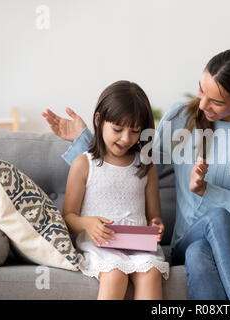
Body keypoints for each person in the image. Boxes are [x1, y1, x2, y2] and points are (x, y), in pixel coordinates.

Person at [43, 49, 230, 299]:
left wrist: (206, 191)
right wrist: (84, 138)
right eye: (201, 90)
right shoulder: (182, 118)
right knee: (211, 226)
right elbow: (133, 161)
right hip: (189, 235)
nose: (202, 105)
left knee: (200, 252)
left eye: (216, 101)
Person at [61, 80, 169, 300]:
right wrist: (87, 223)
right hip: (100, 246)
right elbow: (68, 217)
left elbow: (154, 216)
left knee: (151, 273)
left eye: (135, 131)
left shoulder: (146, 166)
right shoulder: (84, 164)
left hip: (139, 247)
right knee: (115, 275)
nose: (126, 138)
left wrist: (156, 225)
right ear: (99, 120)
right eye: (118, 129)